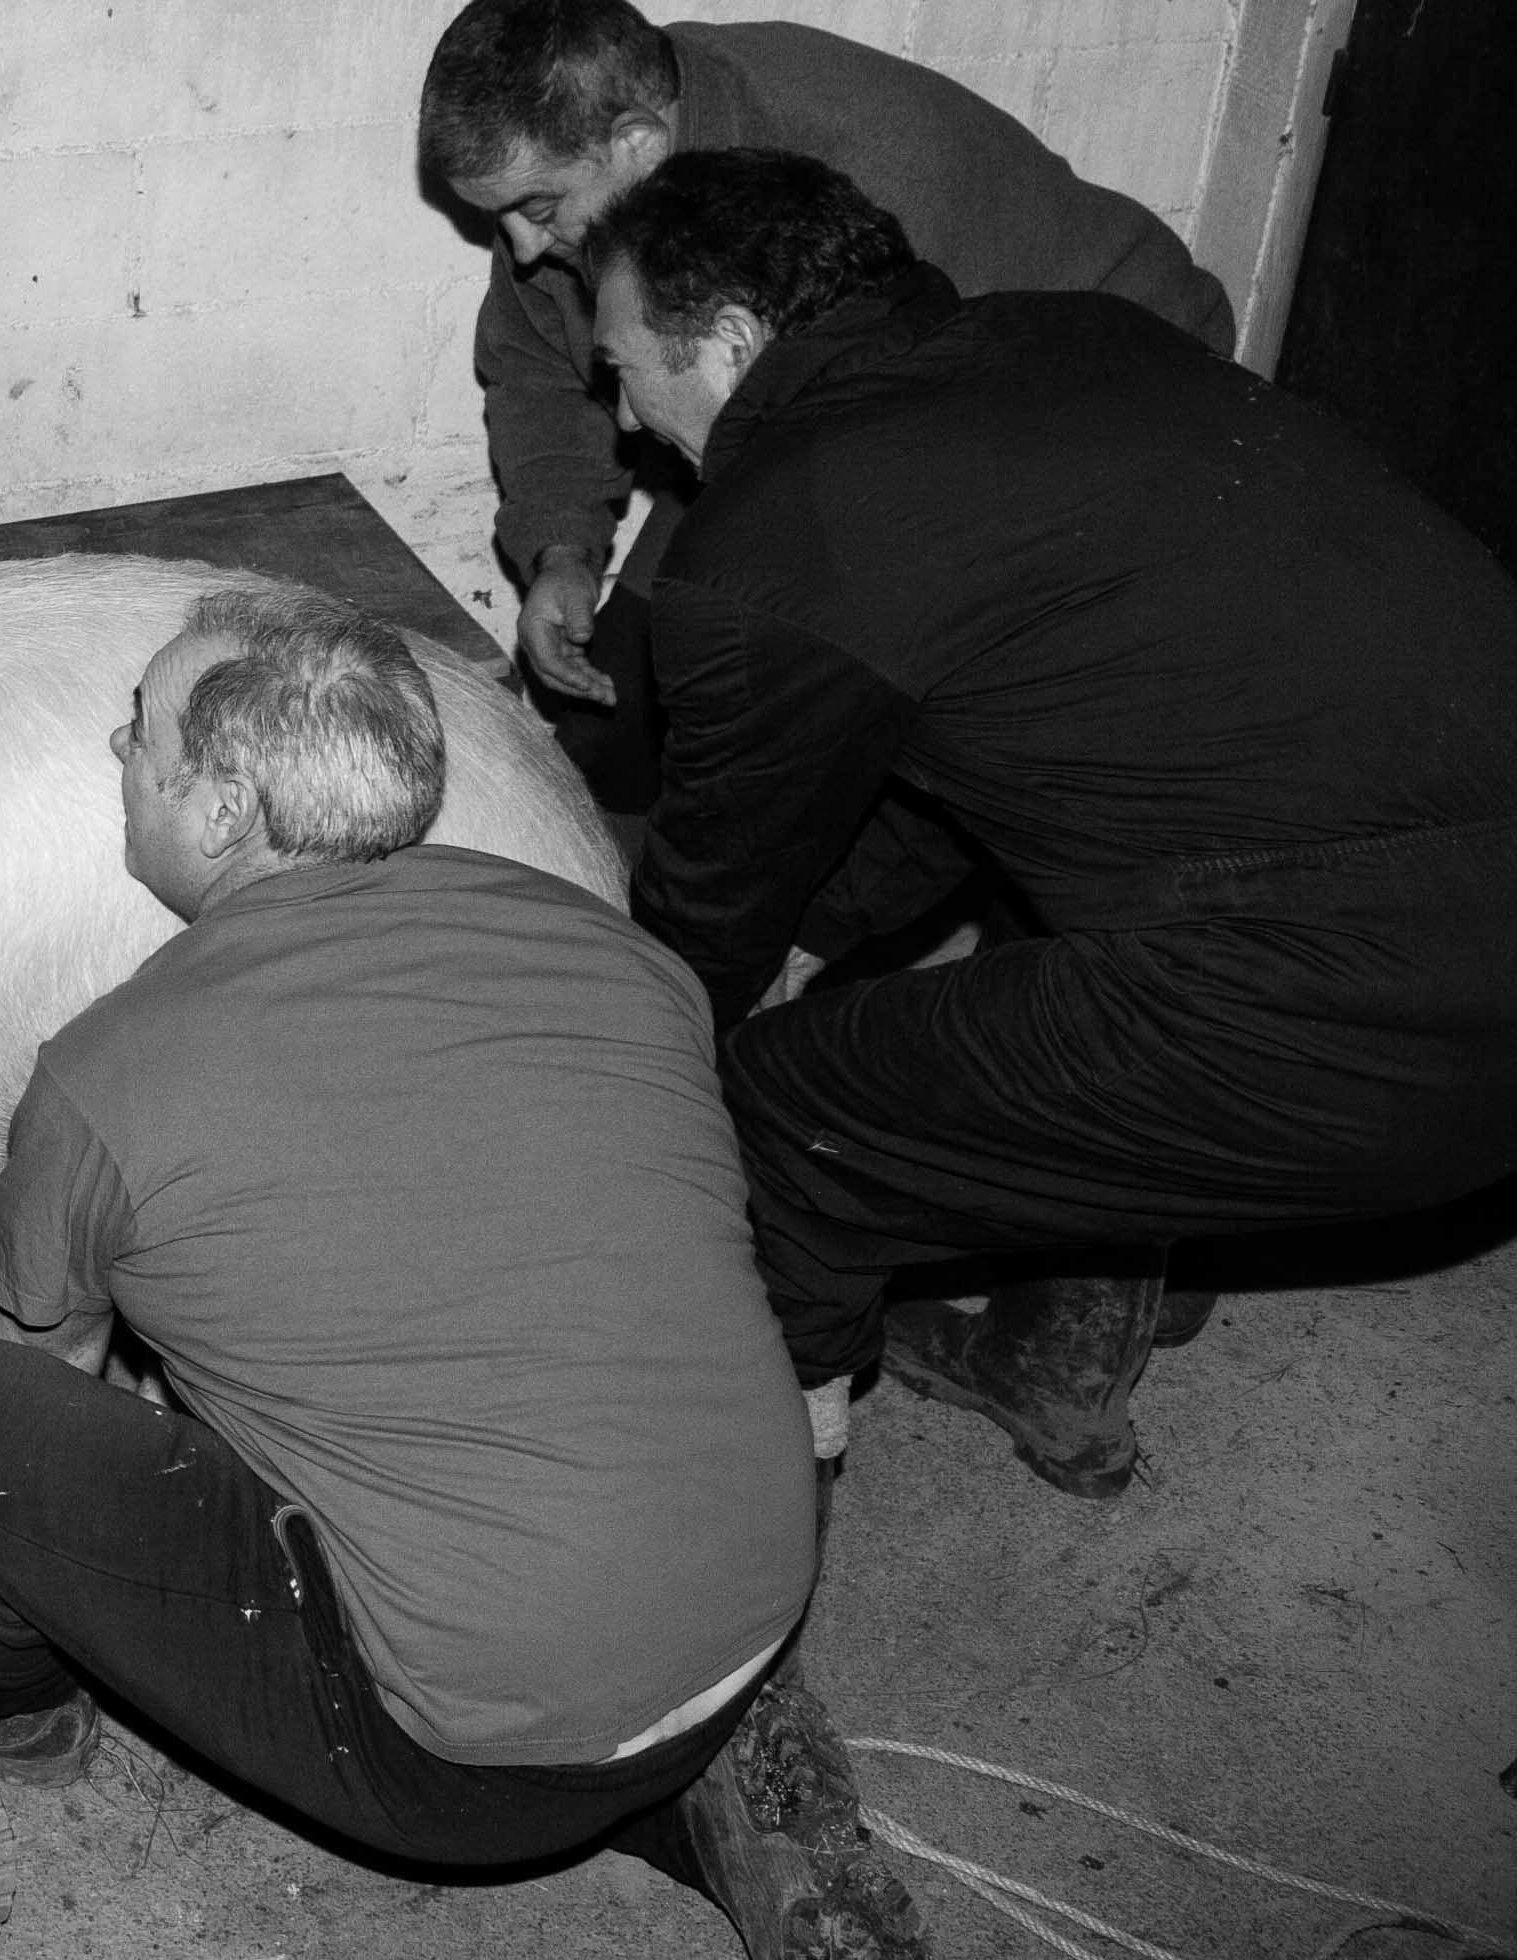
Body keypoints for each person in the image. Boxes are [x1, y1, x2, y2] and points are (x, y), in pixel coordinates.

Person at [0, 587, 913, 1960]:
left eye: (139, 731)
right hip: (754, 1604)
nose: (118, 749)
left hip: (461, 1760)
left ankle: (31, 1714)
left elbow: (31, 1389)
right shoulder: (613, 948)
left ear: (224, 810)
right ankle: (706, 1787)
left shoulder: (111, 1071)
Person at [585, 150, 1517, 1497]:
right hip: (1443, 899)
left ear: (730, 340)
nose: (622, 415)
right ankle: (1080, 1326)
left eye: (625, 369)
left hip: (1379, 1014)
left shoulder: (776, 542)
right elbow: (975, 756)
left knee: (788, 1110)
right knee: (1039, 915)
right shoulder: (1075, 340)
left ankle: (768, 1508)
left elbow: (704, 914)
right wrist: (825, 928)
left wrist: (617, 1060)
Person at [417, 0, 1233, 840]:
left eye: (538, 208)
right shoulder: (583, 189)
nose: (521, 248)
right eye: (501, 218)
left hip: (1090, 394)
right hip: (818, 418)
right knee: (618, 727)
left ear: (640, 144)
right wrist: (563, 548)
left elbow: (868, 481)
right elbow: (540, 370)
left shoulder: (862, 169)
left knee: (874, 756)